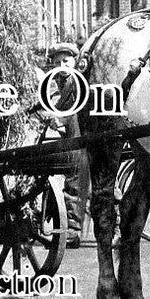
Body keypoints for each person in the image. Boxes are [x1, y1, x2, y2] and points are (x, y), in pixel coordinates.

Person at [44, 42, 88, 249]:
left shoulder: (76, 81)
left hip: (82, 136)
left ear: (74, 61)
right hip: (74, 135)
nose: (62, 65)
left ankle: (72, 231)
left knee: (74, 181)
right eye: (57, 63)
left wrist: (60, 119)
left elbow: (78, 107)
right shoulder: (62, 81)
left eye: (66, 61)